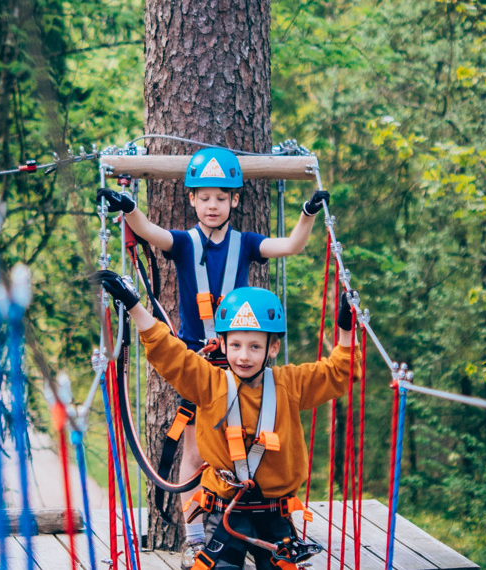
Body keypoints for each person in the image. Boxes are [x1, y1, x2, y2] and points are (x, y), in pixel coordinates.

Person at [97, 147, 330, 562]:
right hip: (199, 361)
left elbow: (293, 245)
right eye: (204, 197)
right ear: (191, 199)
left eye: (221, 198)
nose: (212, 205)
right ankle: (195, 536)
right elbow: (150, 232)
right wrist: (130, 207)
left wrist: (308, 213)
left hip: (242, 357)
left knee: (251, 441)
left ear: (235, 201)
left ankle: (259, 517)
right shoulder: (185, 243)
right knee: (196, 451)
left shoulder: (247, 243)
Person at [93, 270, 361, 570]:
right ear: (222, 344)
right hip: (225, 514)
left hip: (275, 517)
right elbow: (170, 354)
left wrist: (346, 329)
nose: (243, 356)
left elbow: (339, 374)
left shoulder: (291, 385)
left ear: (273, 348)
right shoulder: (210, 384)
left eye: (255, 346)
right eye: (235, 345)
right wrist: (133, 305)